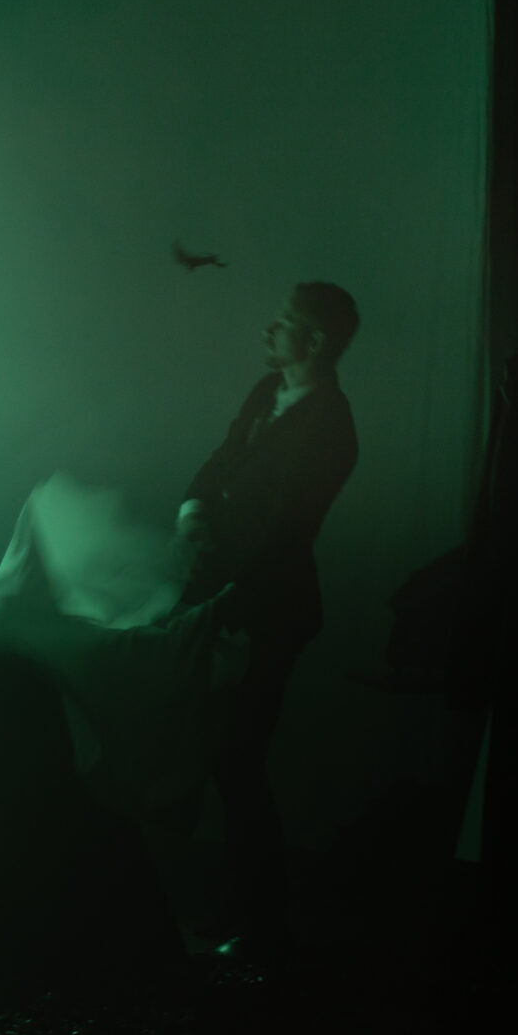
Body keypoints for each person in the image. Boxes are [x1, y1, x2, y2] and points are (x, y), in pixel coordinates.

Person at [170, 283, 361, 966]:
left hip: (267, 610)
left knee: (237, 761)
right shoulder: (265, 390)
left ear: (316, 341)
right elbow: (225, 457)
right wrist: (194, 505)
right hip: (221, 596)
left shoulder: (331, 428)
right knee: (208, 752)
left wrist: (232, 607)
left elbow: (285, 532)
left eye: (282, 323)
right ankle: (226, 907)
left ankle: (261, 926)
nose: (267, 331)